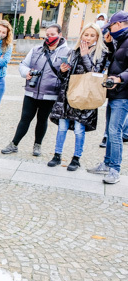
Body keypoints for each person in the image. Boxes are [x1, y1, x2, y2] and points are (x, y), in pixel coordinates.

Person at [47, 23, 110, 171]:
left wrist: (85, 55)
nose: (88, 38)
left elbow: (95, 74)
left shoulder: (101, 52)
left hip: (85, 95)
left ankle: (76, 158)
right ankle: (57, 154)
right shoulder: (74, 50)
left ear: (97, 37)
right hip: (68, 93)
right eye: (86, 34)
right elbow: (66, 75)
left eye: (92, 35)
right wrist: (63, 70)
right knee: (62, 126)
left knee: (79, 128)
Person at [1, 24, 70, 156]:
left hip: (50, 93)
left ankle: (37, 145)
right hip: (31, 90)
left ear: (60, 35)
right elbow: (23, 65)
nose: (49, 37)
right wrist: (27, 72)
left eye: (52, 35)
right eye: (47, 35)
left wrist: (63, 71)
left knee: (42, 120)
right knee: (25, 118)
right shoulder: (37, 49)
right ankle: (14, 144)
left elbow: (68, 75)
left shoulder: (67, 52)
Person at [87, 11, 128, 184]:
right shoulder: (120, 41)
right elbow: (116, 62)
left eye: (111, 26)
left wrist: (119, 78)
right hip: (114, 92)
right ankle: (107, 163)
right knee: (110, 131)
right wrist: (110, 46)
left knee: (114, 132)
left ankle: (114, 169)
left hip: (123, 93)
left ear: (119, 24)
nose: (109, 29)